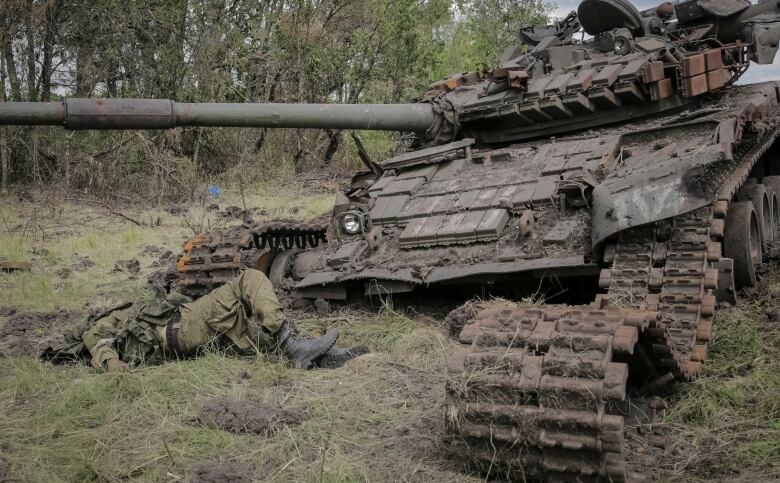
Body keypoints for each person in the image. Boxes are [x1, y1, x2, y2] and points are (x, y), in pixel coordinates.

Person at [43, 269, 366, 371]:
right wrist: (112, 364)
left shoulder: (130, 316)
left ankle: (321, 357)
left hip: (199, 340)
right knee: (250, 278)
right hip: (185, 328)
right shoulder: (107, 322)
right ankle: (293, 343)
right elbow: (98, 342)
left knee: (268, 341)